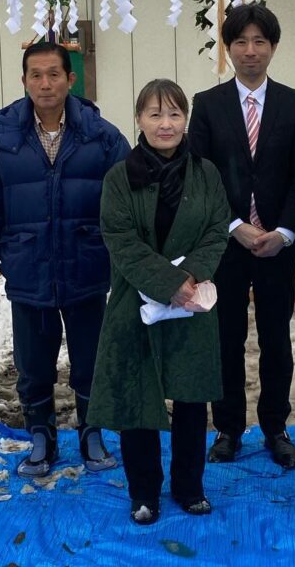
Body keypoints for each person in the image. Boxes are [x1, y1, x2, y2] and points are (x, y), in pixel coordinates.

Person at [0, 41, 129, 478]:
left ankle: (92, 433)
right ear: (23, 81)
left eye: (54, 74)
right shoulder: (1, 140)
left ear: (70, 79)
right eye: (35, 75)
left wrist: (125, 257)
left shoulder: (102, 136)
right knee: (33, 361)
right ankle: (41, 434)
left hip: (87, 265)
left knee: (91, 357)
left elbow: (129, 199)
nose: (45, 83)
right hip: (28, 266)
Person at [87, 79, 230, 525]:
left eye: (173, 114)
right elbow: (121, 241)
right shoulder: (119, 177)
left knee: (190, 399)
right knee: (138, 398)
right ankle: (144, 491)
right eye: (154, 114)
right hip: (137, 301)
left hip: (193, 303)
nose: (165, 124)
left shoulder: (206, 173)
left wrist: (191, 280)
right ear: (139, 120)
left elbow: (217, 227)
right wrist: (169, 282)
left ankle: (190, 487)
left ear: (185, 119)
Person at [188, 3, 295, 469]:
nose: (250, 51)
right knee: (226, 337)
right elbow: (200, 178)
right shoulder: (208, 105)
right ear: (229, 48)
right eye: (240, 42)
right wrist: (234, 227)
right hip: (225, 245)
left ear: (274, 47)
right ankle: (227, 427)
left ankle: (275, 426)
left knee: (277, 339)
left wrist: (283, 230)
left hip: (278, 246)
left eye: (260, 42)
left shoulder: (293, 103)